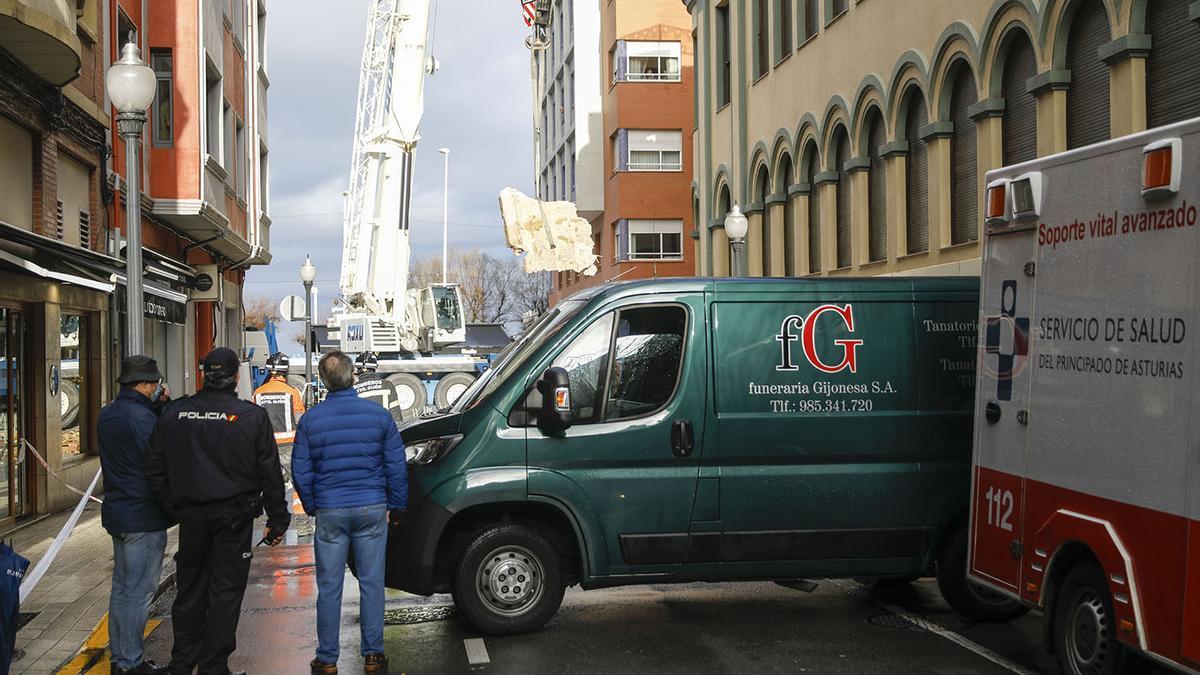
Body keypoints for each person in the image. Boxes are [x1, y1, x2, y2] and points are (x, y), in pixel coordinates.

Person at [146, 347, 290, 675]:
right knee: (225, 593)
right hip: (233, 518)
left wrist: (174, 507)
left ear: (203, 374)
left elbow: (153, 466)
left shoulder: (175, 413)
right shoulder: (251, 417)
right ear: (236, 376)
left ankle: (182, 663)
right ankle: (213, 666)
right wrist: (278, 519)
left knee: (190, 590)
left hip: (192, 517)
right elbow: (269, 472)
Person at [292, 351, 407, 674]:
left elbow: (301, 470)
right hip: (372, 507)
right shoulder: (378, 416)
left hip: (330, 509)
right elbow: (396, 465)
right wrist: (397, 506)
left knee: (329, 586)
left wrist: (313, 504)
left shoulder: (311, 420)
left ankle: (327, 658)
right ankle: (373, 655)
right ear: (353, 375)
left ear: (324, 380)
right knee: (372, 582)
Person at [97, 356, 172, 675]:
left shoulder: (108, 414)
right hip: (143, 516)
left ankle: (120, 659)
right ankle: (130, 663)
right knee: (139, 594)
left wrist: (156, 408)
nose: (157, 388)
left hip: (118, 512)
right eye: (155, 383)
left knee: (122, 591)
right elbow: (157, 459)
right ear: (143, 384)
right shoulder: (142, 419)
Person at [252, 352, 305, 477]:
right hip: (288, 446)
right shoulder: (292, 392)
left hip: (266, 445)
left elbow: (253, 421)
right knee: (297, 479)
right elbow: (300, 420)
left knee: (268, 480)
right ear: (286, 371)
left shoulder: (258, 393)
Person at [352, 352, 401, 418]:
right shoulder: (387, 385)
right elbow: (396, 414)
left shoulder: (353, 390)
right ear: (375, 367)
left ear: (357, 369)